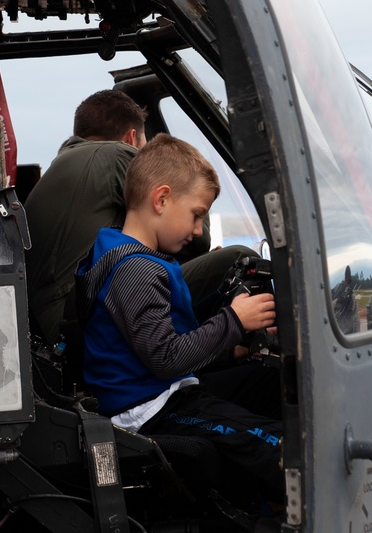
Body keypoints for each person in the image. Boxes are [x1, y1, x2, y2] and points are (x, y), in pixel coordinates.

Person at [75, 133, 283, 500]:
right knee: (279, 449)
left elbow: (172, 333)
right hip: (148, 409)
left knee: (273, 382)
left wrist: (230, 339)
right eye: (197, 215)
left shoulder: (127, 254)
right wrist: (233, 321)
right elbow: (166, 357)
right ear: (162, 199)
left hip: (164, 392)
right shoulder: (135, 270)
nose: (198, 231)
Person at [25, 89, 252, 345]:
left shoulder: (67, 163)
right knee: (240, 259)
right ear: (132, 138)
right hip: (70, 324)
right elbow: (200, 241)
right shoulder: (114, 155)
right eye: (145, 148)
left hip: (51, 324)